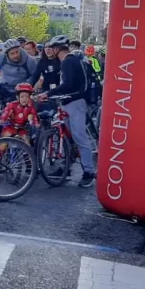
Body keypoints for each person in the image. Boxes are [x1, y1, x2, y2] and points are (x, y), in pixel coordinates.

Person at [35, 35, 96, 187]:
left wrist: (47, 94)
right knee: (67, 137)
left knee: (79, 137)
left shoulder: (68, 62)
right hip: (69, 102)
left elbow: (68, 84)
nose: (50, 51)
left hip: (75, 103)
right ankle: (65, 168)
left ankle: (89, 172)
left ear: (57, 49)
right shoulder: (71, 61)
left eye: (52, 48)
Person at [0, 39, 37, 104]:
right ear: (6, 54)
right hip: (3, 84)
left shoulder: (30, 61)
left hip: (21, 88)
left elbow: (34, 75)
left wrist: (27, 84)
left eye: (17, 52)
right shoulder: (1, 57)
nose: (15, 55)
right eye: (12, 53)